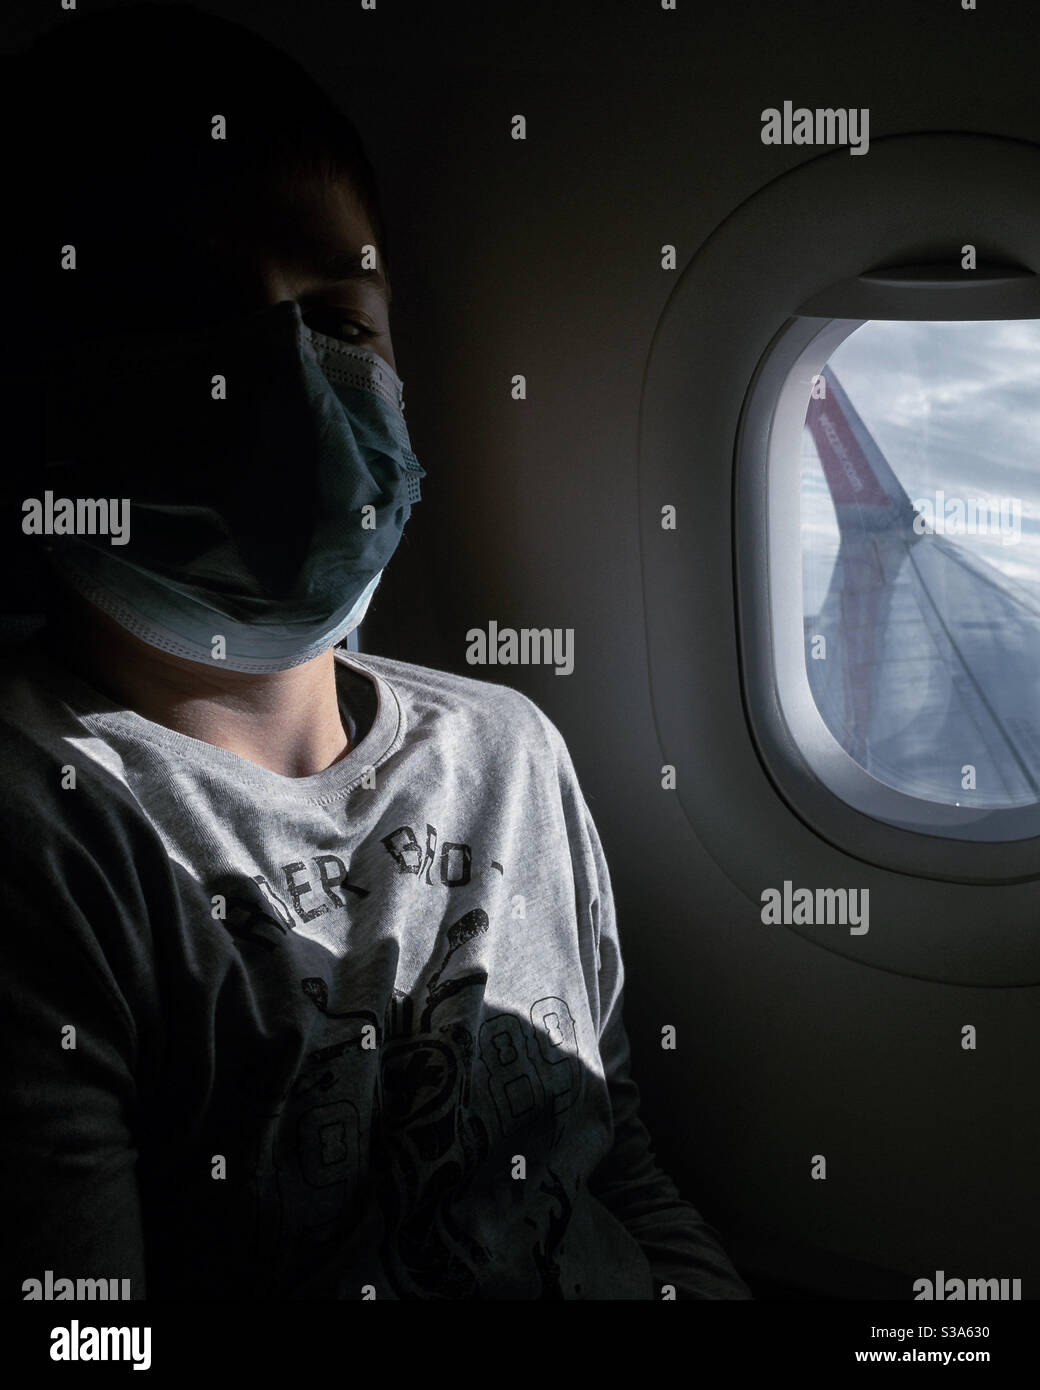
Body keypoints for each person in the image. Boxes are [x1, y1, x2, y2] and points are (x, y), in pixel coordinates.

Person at [0, 1, 751, 1300]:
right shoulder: (49, 831)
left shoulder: (508, 747)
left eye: (342, 321)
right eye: (183, 318)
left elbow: (609, 1160)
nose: (284, 374)